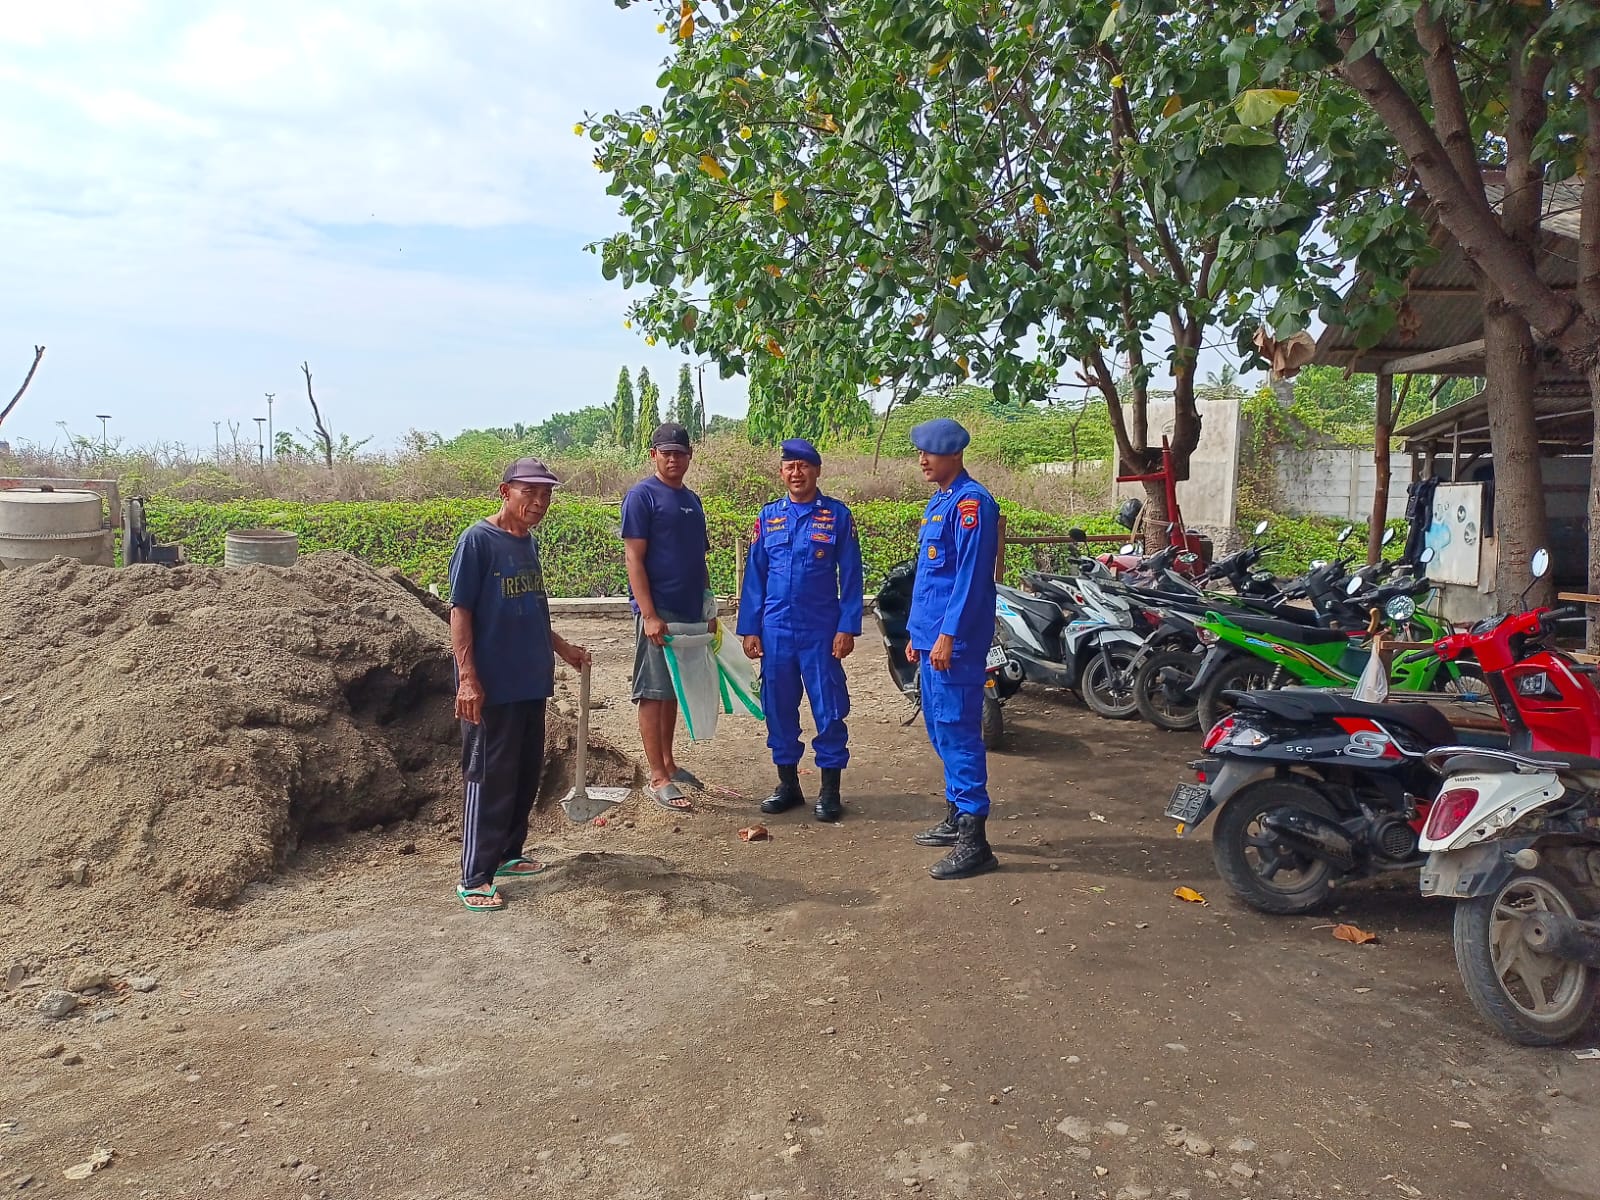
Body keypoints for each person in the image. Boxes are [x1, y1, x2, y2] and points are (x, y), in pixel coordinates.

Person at [448, 457, 591, 913]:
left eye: (546, 494)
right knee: (489, 777)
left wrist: (563, 649)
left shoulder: (526, 543)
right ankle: (475, 876)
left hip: (530, 680)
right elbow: (460, 612)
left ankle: (508, 853)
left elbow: (531, 608)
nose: (539, 501)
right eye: (529, 491)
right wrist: (468, 678)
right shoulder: (477, 541)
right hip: (491, 685)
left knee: (525, 773)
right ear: (504, 491)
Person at [738, 438, 864, 821]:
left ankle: (830, 791)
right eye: (790, 466)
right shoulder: (768, 517)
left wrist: (847, 627)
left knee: (829, 708)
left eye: (804, 466)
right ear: (782, 472)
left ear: (817, 471)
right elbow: (755, 577)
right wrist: (750, 628)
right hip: (776, 630)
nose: (797, 473)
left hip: (820, 630)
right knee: (777, 707)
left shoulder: (837, 516)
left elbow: (852, 576)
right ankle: (788, 786)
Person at [905, 418, 1001, 879]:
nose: (922, 460)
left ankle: (974, 840)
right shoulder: (941, 501)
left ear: (955, 454)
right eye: (920, 452)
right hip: (932, 638)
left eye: (931, 452)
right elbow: (930, 579)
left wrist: (947, 635)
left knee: (958, 732)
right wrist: (918, 634)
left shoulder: (972, 504)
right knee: (940, 730)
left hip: (955, 642)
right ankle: (954, 815)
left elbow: (970, 578)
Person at [621, 421, 714, 812]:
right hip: (658, 612)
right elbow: (634, 557)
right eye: (666, 453)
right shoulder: (642, 496)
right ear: (653, 455)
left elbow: (699, 559)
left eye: (680, 453)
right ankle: (657, 776)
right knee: (653, 691)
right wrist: (648, 614)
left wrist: (708, 607)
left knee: (673, 689)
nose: (673, 459)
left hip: (689, 612)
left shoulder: (692, 500)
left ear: (689, 457)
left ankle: (670, 763)